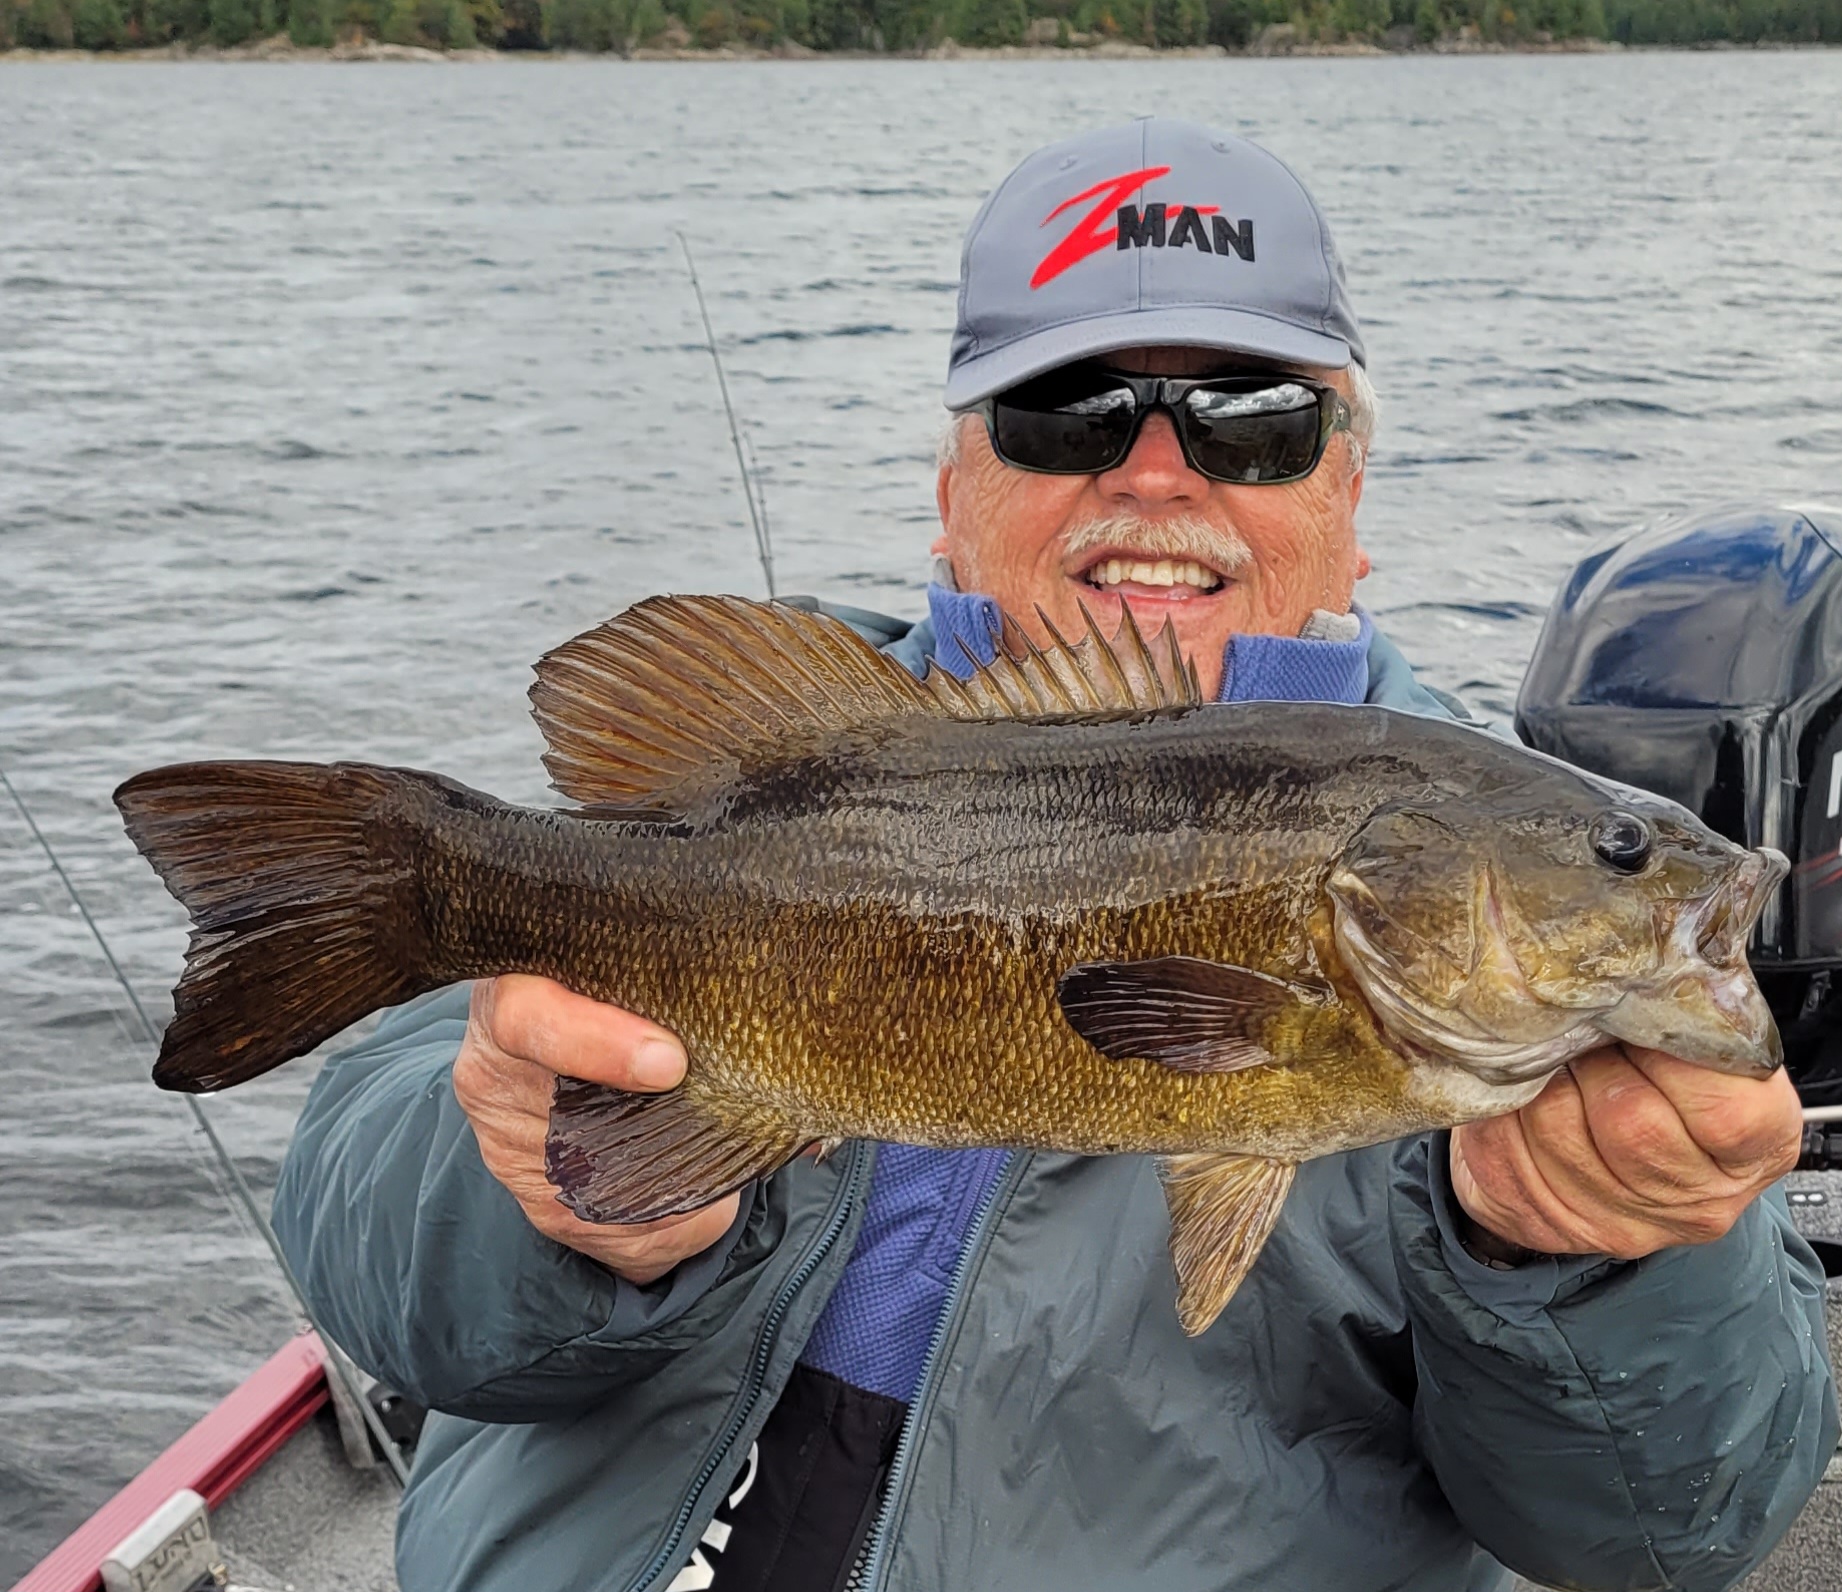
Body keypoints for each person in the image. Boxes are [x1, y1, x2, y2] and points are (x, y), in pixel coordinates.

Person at [272, 118, 1836, 1592]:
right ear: (953, 494)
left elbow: (1665, 1536)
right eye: (1067, 411)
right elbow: (382, 1279)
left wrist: (1604, 1263)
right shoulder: (768, 757)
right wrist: (533, 1195)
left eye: (1253, 421)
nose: (1156, 472)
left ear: (1349, 502)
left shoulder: (1542, 972)